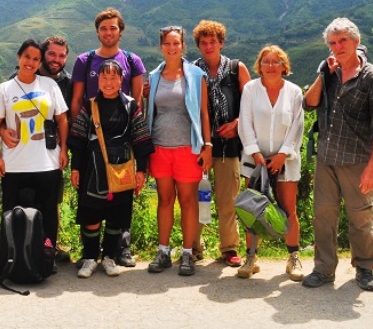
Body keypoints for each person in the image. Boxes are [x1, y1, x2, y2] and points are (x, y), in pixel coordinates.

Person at [302, 18, 373, 292]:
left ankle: (364, 268)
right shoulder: (329, 73)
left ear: (355, 41)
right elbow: (308, 104)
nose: (337, 47)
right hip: (327, 157)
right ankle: (324, 269)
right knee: (323, 216)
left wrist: (372, 167)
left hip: (357, 160)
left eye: (342, 41)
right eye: (332, 43)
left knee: (360, 217)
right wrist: (323, 75)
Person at [70, 7, 146, 267]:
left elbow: (137, 100)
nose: (108, 32)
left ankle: (116, 252)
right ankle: (90, 254)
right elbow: (77, 99)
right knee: (91, 202)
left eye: (113, 27)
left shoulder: (132, 60)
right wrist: (77, 141)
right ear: (97, 32)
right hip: (92, 140)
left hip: (121, 141)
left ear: (120, 31)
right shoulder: (85, 60)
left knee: (119, 204)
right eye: (103, 28)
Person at [67, 60, 154, 278]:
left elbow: (140, 138)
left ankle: (109, 258)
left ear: (121, 80)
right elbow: (77, 139)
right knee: (91, 215)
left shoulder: (131, 106)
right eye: (104, 77)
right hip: (92, 169)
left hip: (122, 168)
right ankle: (89, 258)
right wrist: (75, 167)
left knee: (117, 216)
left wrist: (141, 170)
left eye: (113, 77)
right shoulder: (90, 105)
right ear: (98, 80)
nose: (108, 82)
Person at [0, 39, 70, 255]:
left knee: (49, 212)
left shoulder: (49, 85)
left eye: (35, 59)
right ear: (19, 57)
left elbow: (62, 119)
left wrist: (63, 150)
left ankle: (47, 253)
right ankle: (13, 255)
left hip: (47, 162)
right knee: (12, 212)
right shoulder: (5, 89)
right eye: (27, 57)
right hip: (14, 164)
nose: (30, 62)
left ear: (39, 62)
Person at [146, 26, 213, 276]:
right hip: (159, 148)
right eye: (167, 44)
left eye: (176, 43)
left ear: (183, 46)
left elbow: (205, 113)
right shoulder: (154, 76)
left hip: (188, 149)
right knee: (164, 201)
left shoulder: (196, 75)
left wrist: (207, 145)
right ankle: (163, 251)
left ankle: (187, 253)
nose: (172, 48)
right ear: (161, 47)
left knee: (187, 202)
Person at [236, 45, 305, 280]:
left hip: (285, 160)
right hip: (255, 161)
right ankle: (251, 258)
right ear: (259, 65)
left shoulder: (294, 92)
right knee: (251, 210)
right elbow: (244, 123)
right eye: (266, 61)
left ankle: (293, 258)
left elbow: (297, 126)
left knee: (288, 210)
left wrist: (281, 155)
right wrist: (256, 155)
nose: (271, 66)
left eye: (276, 62)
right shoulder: (250, 89)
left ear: (285, 66)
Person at [191, 20, 250, 266]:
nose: (208, 46)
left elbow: (251, 104)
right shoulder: (192, 70)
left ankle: (229, 247)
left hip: (229, 147)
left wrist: (237, 124)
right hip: (199, 146)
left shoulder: (237, 69)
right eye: (203, 43)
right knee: (196, 198)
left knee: (228, 200)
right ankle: (193, 246)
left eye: (212, 42)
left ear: (221, 43)